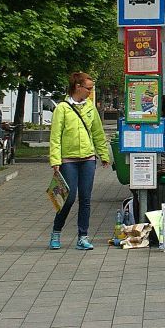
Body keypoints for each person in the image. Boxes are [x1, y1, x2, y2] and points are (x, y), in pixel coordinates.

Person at [49, 72, 110, 251]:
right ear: (77, 87)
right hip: (68, 160)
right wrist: (55, 160)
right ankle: (56, 231)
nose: (90, 92)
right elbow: (55, 136)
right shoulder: (62, 108)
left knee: (85, 199)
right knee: (68, 198)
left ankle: (83, 237)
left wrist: (103, 154)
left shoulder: (90, 108)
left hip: (88, 159)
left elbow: (98, 132)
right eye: (88, 88)